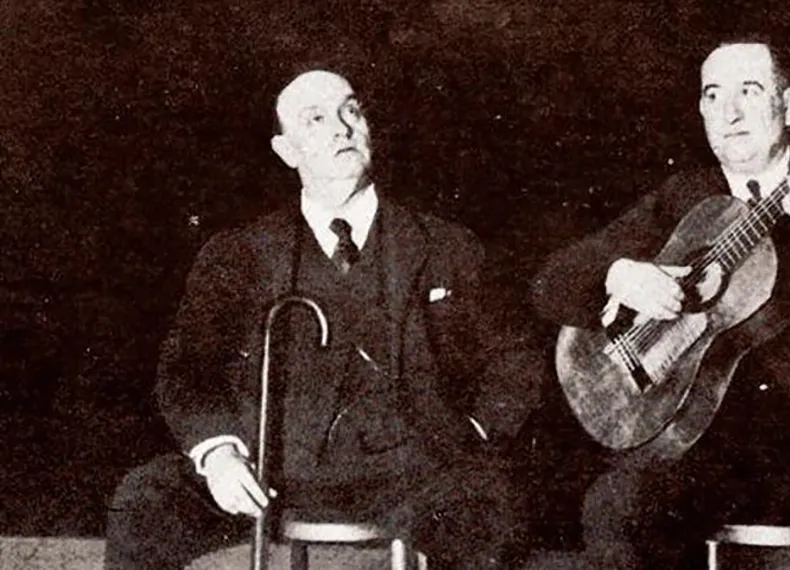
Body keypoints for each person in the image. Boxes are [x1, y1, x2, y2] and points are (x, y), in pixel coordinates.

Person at [105, 67, 543, 570]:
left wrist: (471, 432)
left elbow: (515, 359)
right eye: (316, 119)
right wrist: (220, 456)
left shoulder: (447, 246)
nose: (342, 128)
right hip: (270, 472)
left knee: (493, 505)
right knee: (144, 499)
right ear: (287, 151)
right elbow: (187, 371)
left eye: (351, 111)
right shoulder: (240, 254)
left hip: (415, 476)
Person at [526, 37, 790, 570]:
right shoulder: (683, 197)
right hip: (695, 446)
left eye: (750, 90)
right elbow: (551, 283)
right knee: (614, 510)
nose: (730, 112)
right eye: (713, 95)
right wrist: (619, 274)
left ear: (788, 106)